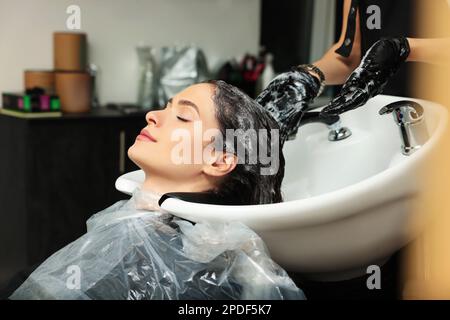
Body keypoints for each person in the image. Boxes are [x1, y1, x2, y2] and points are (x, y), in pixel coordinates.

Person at [5, 80, 305, 300]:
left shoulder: (188, 279)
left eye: (183, 116)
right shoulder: (147, 239)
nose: (152, 115)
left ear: (220, 159)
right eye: (165, 107)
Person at [256, 0, 450, 136]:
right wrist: (308, 76)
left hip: (440, 120)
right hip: (387, 126)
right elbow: (348, 59)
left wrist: (404, 49)